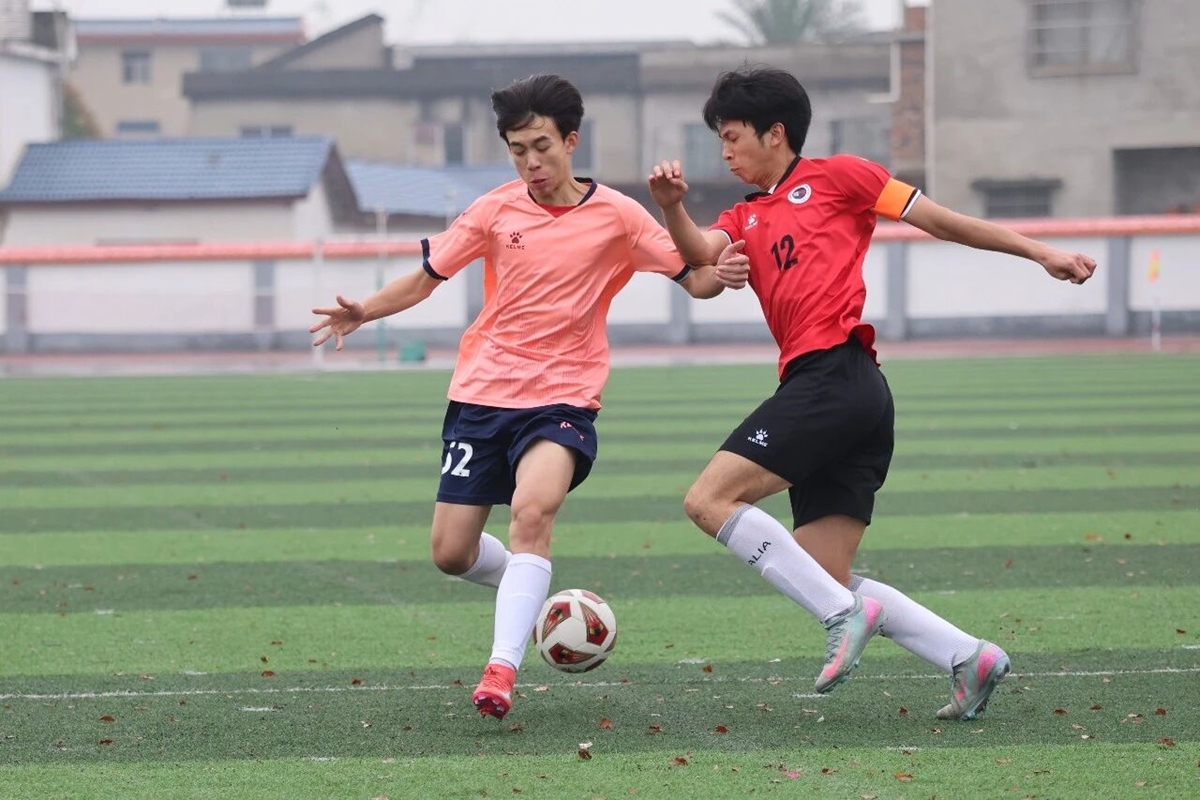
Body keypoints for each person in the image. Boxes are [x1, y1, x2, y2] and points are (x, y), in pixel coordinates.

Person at [648, 66, 1096, 720]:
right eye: (720, 139)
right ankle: (967, 656)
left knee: (707, 500)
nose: (725, 152)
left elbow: (942, 221)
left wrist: (1039, 252)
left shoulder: (843, 176)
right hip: (848, 395)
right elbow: (698, 252)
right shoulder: (743, 214)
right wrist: (671, 208)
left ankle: (843, 616)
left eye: (733, 136)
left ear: (775, 133)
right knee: (820, 572)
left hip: (834, 377)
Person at [311, 74, 736, 721]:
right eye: (517, 150)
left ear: (571, 141)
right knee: (451, 553)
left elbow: (698, 279)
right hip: (481, 396)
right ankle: (526, 585)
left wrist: (718, 268)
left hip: (563, 398)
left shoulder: (618, 216)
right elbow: (426, 279)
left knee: (533, 513)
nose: (531, 162)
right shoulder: (494, 210)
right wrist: (364, 310)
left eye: (541, 146)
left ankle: (501, 669)